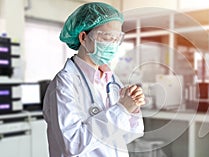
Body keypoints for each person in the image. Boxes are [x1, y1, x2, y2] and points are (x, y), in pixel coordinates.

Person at [43, 2, 145, 157]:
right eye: (107, 37)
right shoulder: (65, 84)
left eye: (117, 39)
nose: (113, 44)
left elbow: (128, 135)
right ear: (83, 37)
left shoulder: (111, 79)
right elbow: (73, 144)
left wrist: (132, 107)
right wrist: (121, 109)